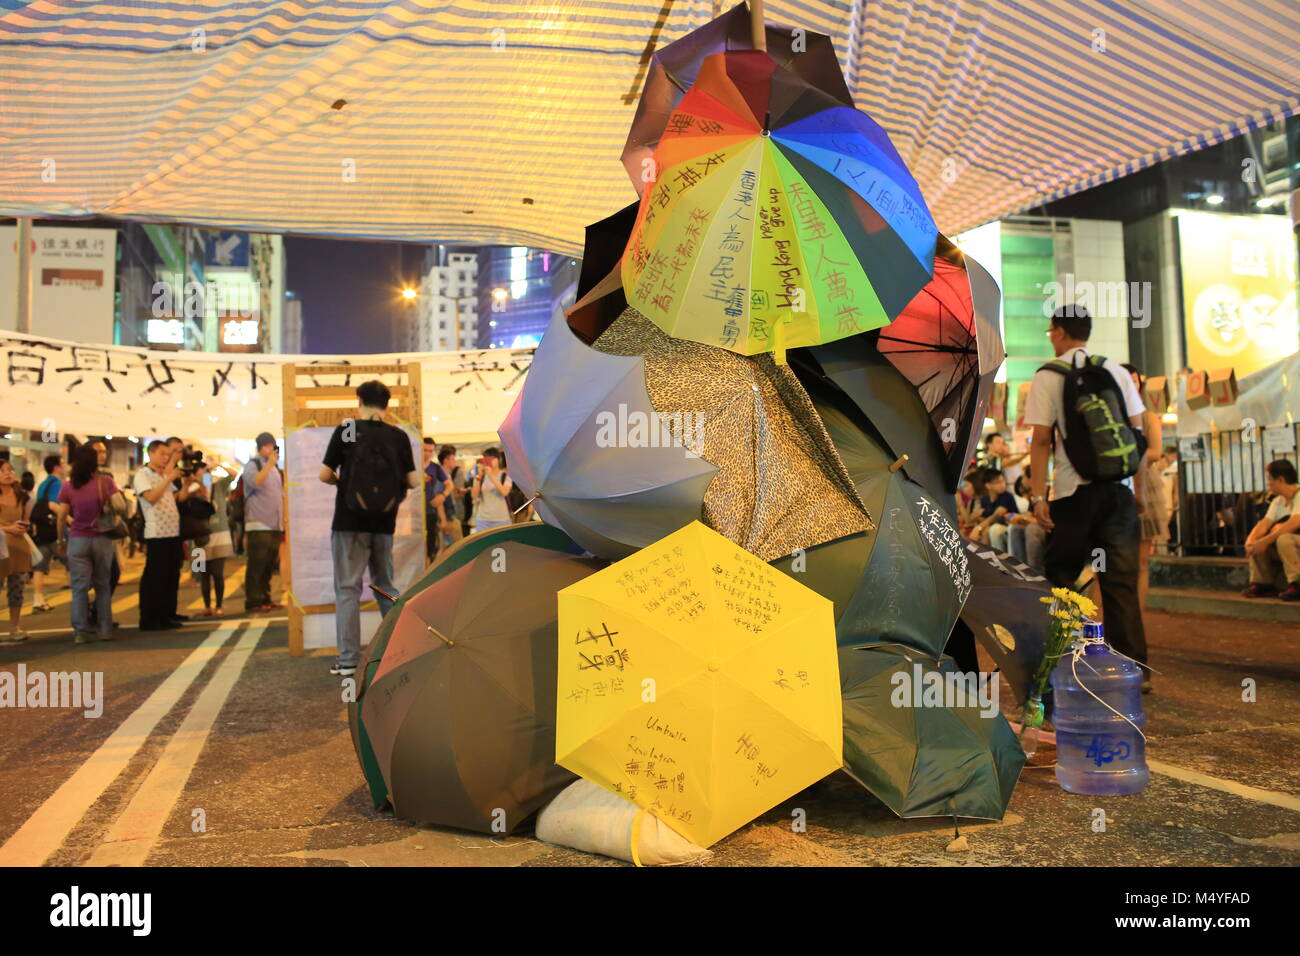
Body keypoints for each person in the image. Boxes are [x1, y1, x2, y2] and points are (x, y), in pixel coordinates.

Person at [1025, 305, 1150, 683]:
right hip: (1119, 490)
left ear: (1059, 332)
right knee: (1119, 583)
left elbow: (1042, 440)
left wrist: (1037, 496)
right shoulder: (1115, 371)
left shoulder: (1048, 376)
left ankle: (1061, 665)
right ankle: (1134, 671)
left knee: (1061, 579)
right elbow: (1136, 434)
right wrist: (1138, 490)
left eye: (1050, 332)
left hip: (1072, 492)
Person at [320, 380, 418, 677]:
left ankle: (349, 660)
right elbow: (414, 482)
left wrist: (345, 485)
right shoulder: (398, 436)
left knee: (348, 589)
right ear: (387, 406)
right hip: (384, 524)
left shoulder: (347, 429)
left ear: (359, 402)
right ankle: (395, 651)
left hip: (349, 522)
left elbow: (324, 474)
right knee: (385, 585)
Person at [56, 444, 124, 644]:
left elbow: (61, 517)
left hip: (77, 540)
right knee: (103, 585)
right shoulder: (106, 482)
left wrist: (61, 539)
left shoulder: (68, 486)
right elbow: (120, 506)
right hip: (102, 539)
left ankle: (80, 631)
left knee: (79, 588)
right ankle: (104, 629)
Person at [1122, 363, 1169, 611]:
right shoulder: (1112, 414)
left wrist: (1123, 459)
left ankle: (1137, 615)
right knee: (1104, 564)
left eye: (1134, 380)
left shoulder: (1149, 416)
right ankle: (1099, 625)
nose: (1131, 384)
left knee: (1141, 560)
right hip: (1116, 485)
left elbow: (1156, 452)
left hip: (1144, 486)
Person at [134, 439, 192, 631]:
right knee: (155, 577)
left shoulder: (162, 475)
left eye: (168, 454)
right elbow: (150, 497)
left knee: (170, 576)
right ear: (150, 453)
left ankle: (167, 614)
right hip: (157, 533)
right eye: (162, 454)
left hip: (172, 532)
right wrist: (168, 477)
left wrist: (187, 484)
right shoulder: (143, 474)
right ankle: (150, 618)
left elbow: (177, 498)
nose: (166, 458)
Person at [1242, 459, 1300, 601]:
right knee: (1258, 541)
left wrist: (1265, 541)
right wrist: (1251, 541)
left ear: (1281, 479)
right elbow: (1264, 524)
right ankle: (1263, 583)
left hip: (1294, 542)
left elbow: (1294, 523)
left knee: (1283, 538)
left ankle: (1297, 583)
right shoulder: (1278, 501)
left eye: (1269, 480)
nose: (1268, 484)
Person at [241, 433, 284, 612]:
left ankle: (266, 597)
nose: (271, 449)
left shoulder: (274, 468)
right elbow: (255, 483)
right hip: (258, 522)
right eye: (267, 446)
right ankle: (253, 600)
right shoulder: (253, 465)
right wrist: (269, 465)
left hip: (275, 523)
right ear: (260, 447)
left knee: (268, 564)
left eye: (273, 446)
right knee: (256, 564)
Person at [0, 460, 34, 643]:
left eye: (10, 470)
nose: (8, 473)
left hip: (19, 548)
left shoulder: (21, 495)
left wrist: (23, 527)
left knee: (17, 590)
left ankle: (15, 627)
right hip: (0, 548)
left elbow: (26, 520)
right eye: (3, 471)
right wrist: (7, 529)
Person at [197, 464, 235, 616]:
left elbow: (234, 473)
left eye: (207, 474)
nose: (205, 477)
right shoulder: (193, 490)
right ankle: (207, 607)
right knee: (202, 574)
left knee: (218, 573)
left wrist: (218, 465)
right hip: (198, 539)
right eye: (202, 473)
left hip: (220, 536)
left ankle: (219, 605)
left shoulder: (218, 486)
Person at [29, 453, 66, 613]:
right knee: (75, 561)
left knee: (40, 567)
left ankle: (38, 600)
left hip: (42, 530)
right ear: (56, 467)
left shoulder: (43, 484)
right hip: (54, 530)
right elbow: (53, 505)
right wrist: (70, 520)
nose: (65, 467)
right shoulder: (57, 483)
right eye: (63, 464)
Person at [972, 467, 1018, 551]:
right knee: (983, 532)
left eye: (1003, 481)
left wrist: (979, 527)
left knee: (988, 531)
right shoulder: (985, 499)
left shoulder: (1007, 496)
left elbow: (998, 515)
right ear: (988, 485)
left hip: (1010, 528)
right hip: (993, 528)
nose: (1002, 484)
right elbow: (983, 518)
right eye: (998, 482)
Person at [471, 447, 513, 531]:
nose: (489, 462)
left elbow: (504, 492)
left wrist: (490, 475)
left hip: (501, 519)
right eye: (486, 459)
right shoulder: (481, 476)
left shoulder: (505, 476)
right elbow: (474, 496)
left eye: (492, 459)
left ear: (499, 459)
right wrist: (478, 476)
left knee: (503, 544)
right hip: (483, 519)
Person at [422, 437, 449, 561]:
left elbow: (449, 485)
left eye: (430, 451)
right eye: (425, 450)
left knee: (431, 545)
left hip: (429, 511)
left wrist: (442, 495)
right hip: (413, 513)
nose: (427, 453)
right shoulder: (412, 465)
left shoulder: (435, 468)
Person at [437, 445, 465, 548]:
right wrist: (443, 520)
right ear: (446, 460)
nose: (455, 461)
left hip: (451, 516)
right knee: (456, 549)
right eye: (453, 459)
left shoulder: (447, 475)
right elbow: (439, 498)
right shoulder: (441, 476)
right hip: (448, 518)